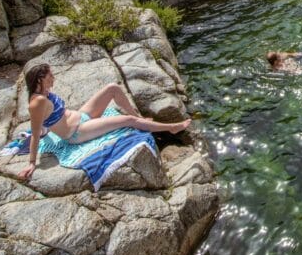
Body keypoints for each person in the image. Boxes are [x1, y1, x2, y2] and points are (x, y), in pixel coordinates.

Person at [19, 63, 190, 180]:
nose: (53, 77)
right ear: (40, 78)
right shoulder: (37, 102)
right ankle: (171, 128)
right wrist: (32, 163)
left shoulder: (46, 93)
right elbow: (35, 133)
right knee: (127, 121)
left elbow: (43, 123)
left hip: (81, 116)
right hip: (77, 132)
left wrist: (45, 130)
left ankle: (139, 118)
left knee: (112, 88)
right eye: (50, 75)